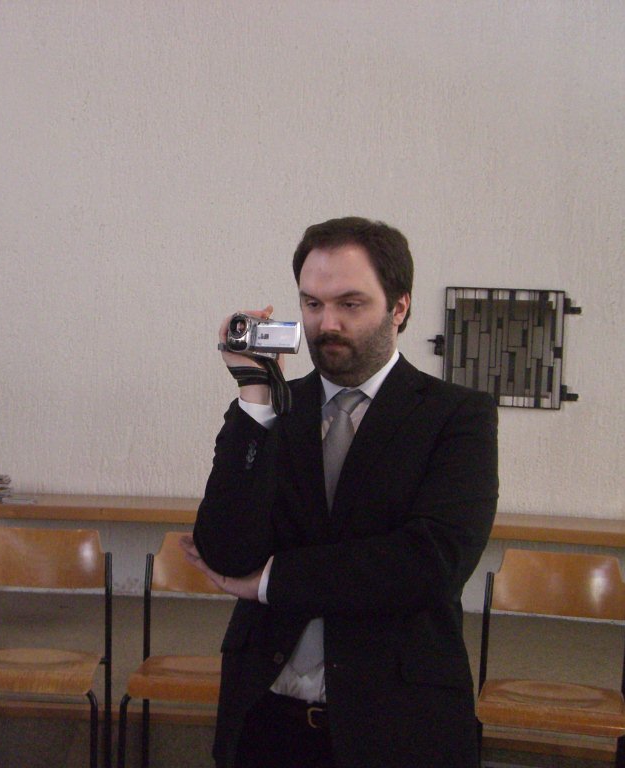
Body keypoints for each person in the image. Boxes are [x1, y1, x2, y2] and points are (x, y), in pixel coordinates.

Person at [181, 216, 499, 768]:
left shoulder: (456, 417)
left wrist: (273, 582)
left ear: (399, 307)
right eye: (311, 304)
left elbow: (431, 564)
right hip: (265, 716)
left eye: (350, 304)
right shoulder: (273, 411)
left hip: (397, 725)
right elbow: (227, 552)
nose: (326, 324)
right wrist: (255, 395)